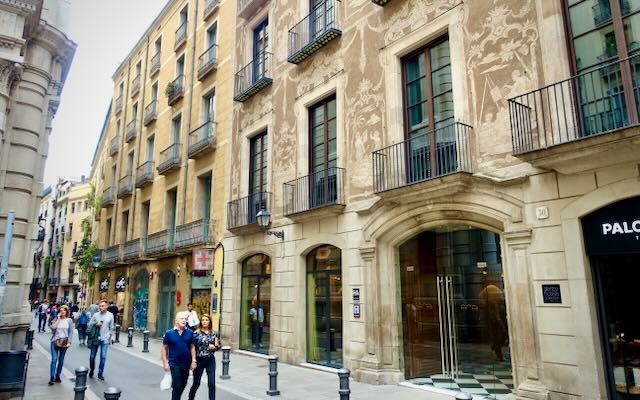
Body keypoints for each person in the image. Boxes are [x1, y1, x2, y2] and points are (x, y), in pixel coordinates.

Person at [161, 311, 196, 400]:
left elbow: (192, 347)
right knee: (177, 385)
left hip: (186, 363)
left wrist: (193, 361)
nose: (184, 320)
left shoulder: (190, 332)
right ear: (176, 320)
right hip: (174, 363)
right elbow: (164, 348)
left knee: (183, 383)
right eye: (182, 318)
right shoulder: (169, 333)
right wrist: (165, 363)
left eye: (185, 319)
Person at [188, 314, 219, 400]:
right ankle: (191, 398)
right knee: (196, 383)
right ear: (201, 322)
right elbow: (192, 347)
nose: (205, 322)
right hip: (199, 360)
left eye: (207, 320)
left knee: (211, 383)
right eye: (203, 320)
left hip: (210, 360)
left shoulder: (214, 333)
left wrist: (215, 347)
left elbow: (217, 345)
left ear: (209, 322)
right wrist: (193, 360)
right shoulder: (196, 333)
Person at [87, 300, 115, 380]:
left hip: (105, 339)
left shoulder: (110, 315)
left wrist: (110, 338)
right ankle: (92, 370)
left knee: (103, 357)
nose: (100, 307)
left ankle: (100, 373)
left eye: (102, 306)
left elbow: (111, 327)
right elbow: (89, 324)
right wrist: (96, 324)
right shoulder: (95, 315)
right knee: (92, 357)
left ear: (106, 306)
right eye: (100, 306)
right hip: (95, 338)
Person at [48, 305, 73, 385]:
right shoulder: (56, 319)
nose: (62, 312)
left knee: (61, 360)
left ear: (67, 312)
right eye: (61, 310)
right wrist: (58, 318)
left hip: (64, 342)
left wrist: (69, 342)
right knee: (54, 359)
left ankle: (57, 376)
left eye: (64, 310)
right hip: (54, 341)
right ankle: (52, 377)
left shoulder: (69, 320)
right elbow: (53, 328)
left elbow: (70, 332)